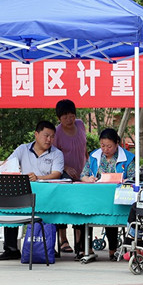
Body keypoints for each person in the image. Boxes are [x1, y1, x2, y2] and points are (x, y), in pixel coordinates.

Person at [0, 120, 64, 260]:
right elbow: (7, 164)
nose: (49, 140)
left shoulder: (57, 153)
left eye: (52, 137)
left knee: (51, 209)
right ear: (36, 134)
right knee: (11, 207)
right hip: (24, 194)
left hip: (47, 195)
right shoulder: (23, 149)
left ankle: (48, 246)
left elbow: (57, 173)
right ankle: (11, 248)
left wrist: (38, 177)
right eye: (46, 135)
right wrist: (13, 170)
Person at [80, 128, 135, 260]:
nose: (105, 149)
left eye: (109, 146)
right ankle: (87, 248)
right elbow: (83, 175)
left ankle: (113, 249)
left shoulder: (128, 158)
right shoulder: (94, 156)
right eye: (102, 145)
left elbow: (133, 177)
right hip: (96, 194)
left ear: (117, 144)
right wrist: (88, 179)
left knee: (111, 212)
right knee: (85, 211)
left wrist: (124, 180)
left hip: (118, 195)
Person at [52, 99, 87, 254]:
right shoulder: (57, 133)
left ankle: (80, 241)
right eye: (65, 116)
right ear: (59, 117)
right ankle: (63, 239)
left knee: (80, 206)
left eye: (71, 115)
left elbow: (84, 147)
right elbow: (53, 155)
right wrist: (65, 168)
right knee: (64, 206)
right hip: (64, 175)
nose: (69, 119)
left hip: (82, 173)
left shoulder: (80, 125)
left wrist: (89, 165)